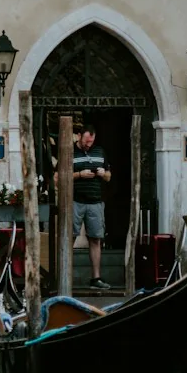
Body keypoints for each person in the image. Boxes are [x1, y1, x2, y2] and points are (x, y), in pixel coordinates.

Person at [72, 124, 112, 291]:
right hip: (74, 201)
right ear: (79, 136)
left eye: (91, 142)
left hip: (95, 202)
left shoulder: (100, 151)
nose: (89, 145)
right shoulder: (69, 151)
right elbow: (59, 177)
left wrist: (103, 174)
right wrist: (79, 175)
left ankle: (96, 278)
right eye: (86, 141)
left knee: (95, 239)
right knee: (69, 238)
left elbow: (109, 177)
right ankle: (65, 277)